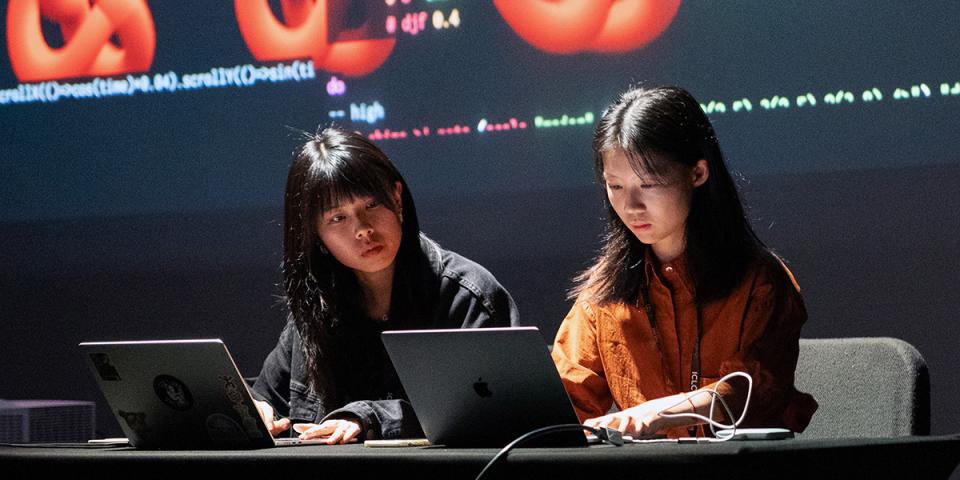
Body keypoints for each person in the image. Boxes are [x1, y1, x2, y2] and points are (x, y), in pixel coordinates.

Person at [552, 85, 817, 439]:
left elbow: (748, 395)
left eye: (648, 184)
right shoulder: (603, 298)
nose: (630, 206)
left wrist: (657, 413)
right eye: (615, 186)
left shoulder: (760, 284)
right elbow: (560, 403)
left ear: (698, 173)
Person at [252, 127, 519, 444]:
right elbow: (265, 399)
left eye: (371, 205)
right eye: (338, 218)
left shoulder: (467, 297)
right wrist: (256, 410)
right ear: (315, 236)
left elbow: (494, 417)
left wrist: (367, 419)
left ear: (397, 198)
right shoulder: (315, 312)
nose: (362, 230)